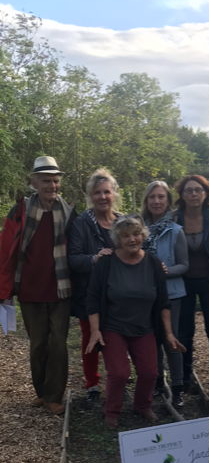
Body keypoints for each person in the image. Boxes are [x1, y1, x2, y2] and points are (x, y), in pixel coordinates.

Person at [85, 214, 185, 429]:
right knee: (120, 372)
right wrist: (95, 330)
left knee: (150, 372)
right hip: (113, 327)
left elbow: (163, 302)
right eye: (126, 236)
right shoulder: (106, 263)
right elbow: (93, 298)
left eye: (137, 234)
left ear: (143, 236)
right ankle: (112, 411)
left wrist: (168, 333)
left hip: (143, 327)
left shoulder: (153, 263)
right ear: (117, 239)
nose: (132, 239)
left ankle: (142, 405)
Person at [0, 156, 76, 414]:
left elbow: (77, 249)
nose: (52, 186)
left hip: (60, 289)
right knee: (37, 345)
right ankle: (41, 392)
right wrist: (4, 287)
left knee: (58, 343)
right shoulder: (20, 211)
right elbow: (5, 248)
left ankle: (55, 395)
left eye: (55, 181)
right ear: (34, 182)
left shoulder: (68, 212)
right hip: (30, 289)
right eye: (46, 181)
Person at [68, 169, 121, 405]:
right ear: (90, 195)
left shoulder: (123, 222)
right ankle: (92, 384)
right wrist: (94, 258)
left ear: (114, 194)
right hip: (89, 292)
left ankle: (116, 381)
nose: (102, 197)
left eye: (106, 192)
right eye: (97, 192)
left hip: (119, 293)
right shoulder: (81, 223)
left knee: (115, 337)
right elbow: (73, 259)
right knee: (90, 338)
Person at [141, 181, 188, 407]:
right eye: (152, 197)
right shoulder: (139, 228)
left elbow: (184, 265)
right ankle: (158, 381)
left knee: (171, 339)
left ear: (168, 201)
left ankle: (178, 387)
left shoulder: (176, 231)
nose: (156, 201)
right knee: (153, 340)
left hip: (172, 294)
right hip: (146, 294)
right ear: (146, 201)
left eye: (161, 197)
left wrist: (166, 272)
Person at [174, 175, 209, 389]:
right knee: (184, 331)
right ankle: (185, 377)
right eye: (189, 190)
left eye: (198, 190)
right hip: (183, 282)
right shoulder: (174, 219)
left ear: (206, 193)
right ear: (182, 195)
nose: (194, 194)